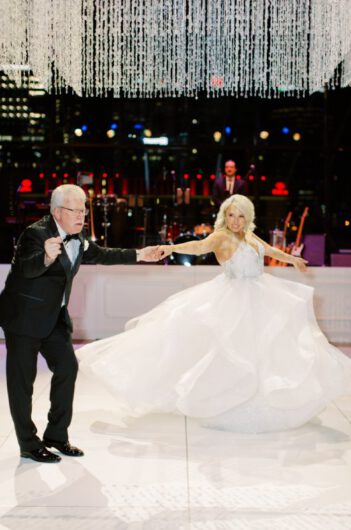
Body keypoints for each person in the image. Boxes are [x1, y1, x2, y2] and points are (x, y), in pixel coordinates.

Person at [78, 195, 351, 433]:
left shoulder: (248, 235)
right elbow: (198, 246)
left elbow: (267, 250)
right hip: (234, 297)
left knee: (263, 350)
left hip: (259, 293)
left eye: (240, 215)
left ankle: (257, 398)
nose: (235, 220)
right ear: (224, 216)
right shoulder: (221, 236)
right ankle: (225, 398)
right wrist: (172, 248)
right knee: (233, 350)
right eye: (230, 215)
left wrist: (292, 259)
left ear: (247, 217)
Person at [0, 184, 162, 463]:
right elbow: (25, 268)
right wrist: (46, 257)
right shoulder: (35, 234)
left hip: (54, 319)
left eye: (84, 211)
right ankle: (28, 443)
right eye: (76, 211)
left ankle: (56, 436)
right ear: (57, 212)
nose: (82, 216)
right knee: (21, 384)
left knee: (67, 368)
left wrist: (140, 254)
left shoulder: (78, 236)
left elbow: (102, 254)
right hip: (23, 318)